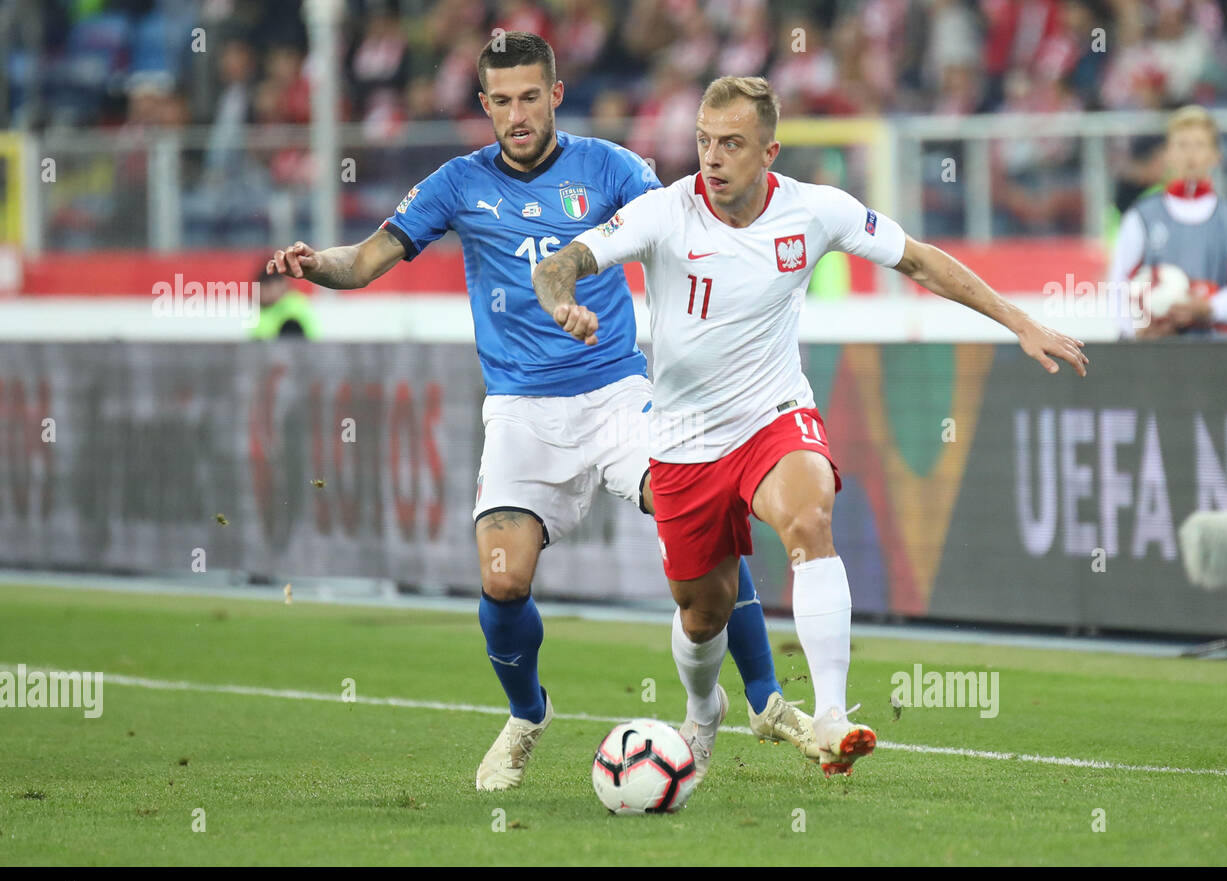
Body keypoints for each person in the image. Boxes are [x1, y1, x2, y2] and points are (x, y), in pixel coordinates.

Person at [265, 35, 816, 791]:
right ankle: (528, 714)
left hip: (619, 393)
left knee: (707, 513)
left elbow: (686, 236)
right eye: (503, 100)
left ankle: (765, 699)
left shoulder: (614, 169)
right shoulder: (457, 184)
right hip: (522, 409)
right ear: (483, 104)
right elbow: (362, 261)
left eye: (531, 96)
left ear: (555, 96)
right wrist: (312, 265)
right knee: (502, 580)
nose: (518, 114)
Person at [534, 75, 1088, 777]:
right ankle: (703, 709)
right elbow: (561, 265)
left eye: (731, 143)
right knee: (704, 613)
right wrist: (561, 303)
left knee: (808, 517)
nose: (712, 157)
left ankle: (832, 715)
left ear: (770, 150)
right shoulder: (662, 213)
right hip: (682, 441)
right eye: (704, 141)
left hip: (772, 415)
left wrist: (1021, 321)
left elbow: (920, 259)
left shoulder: (816, 211)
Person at [1109, 105, 1227, 341]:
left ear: (1215, 155)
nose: (1190, 155)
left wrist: (1207, 309)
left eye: (1199, 145)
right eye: (1182, 145)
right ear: (1167, 154)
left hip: (1216, 352)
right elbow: (1118, 287)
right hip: (1155, 352)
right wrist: (1137, 330)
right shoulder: (1140, 216)